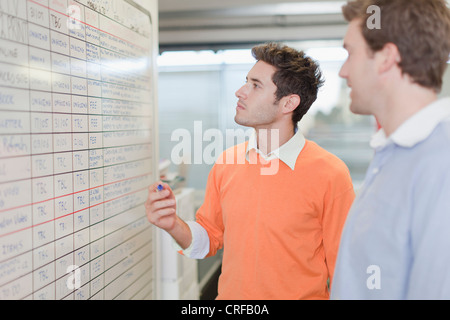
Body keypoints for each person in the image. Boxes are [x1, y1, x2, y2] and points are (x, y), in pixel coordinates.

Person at [146, 42, 355, 300]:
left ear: (288, 103)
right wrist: (172, 224)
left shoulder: (330, 174)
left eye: (255, 85)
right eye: (246, 81)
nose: (240, 91)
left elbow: (346, 272)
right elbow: (209, 239)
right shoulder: (227, 162)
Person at [331, 0, 450, 299]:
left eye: (350, 53)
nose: (343, 72)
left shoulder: (441, 163)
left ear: (386, 58)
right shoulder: (394, 153)